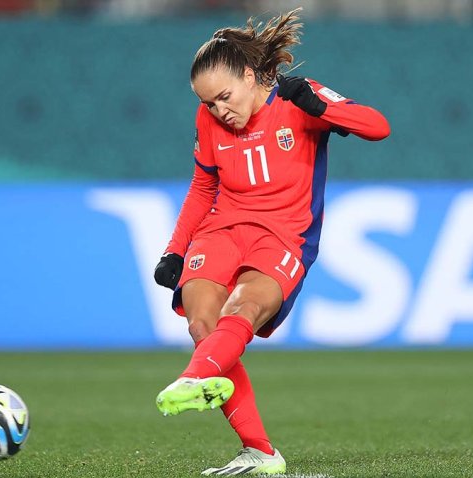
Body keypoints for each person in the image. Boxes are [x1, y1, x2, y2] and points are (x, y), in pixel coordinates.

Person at [152, 8, 390, 476]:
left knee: (241, 310)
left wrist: (324, 109)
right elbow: (203, 187)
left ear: (248, 75)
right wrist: (175, 248)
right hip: (222, 228)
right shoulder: (209, 119)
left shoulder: (299, 100)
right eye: (209, 104)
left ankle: (193, 378)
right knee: (203, 324)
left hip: (284, 234)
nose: (219, 110)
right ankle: (260, 453)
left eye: (224, 97)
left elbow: (378, 126)